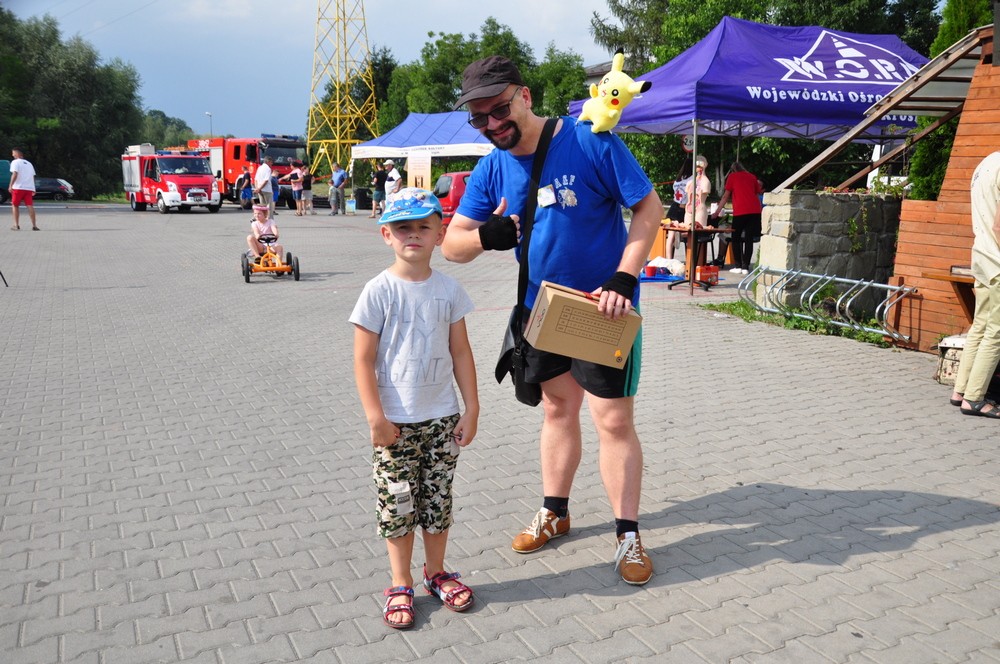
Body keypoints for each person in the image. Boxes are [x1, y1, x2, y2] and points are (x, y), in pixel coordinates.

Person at [441, 56, 662, 585]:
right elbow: (451, 246)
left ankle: (627, 535)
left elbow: (648, 209)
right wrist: (484, 237)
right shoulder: (491, 168)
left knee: (612, 422)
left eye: (499, 110)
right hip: (541, 310)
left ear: (525, 96)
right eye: (479, 117)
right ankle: (555, 512)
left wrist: (625, 278)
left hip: (603, 308)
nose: (491, 124)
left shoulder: (591, 141)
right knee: (559, 410)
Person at [350, 187, 479, 629]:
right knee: (399, 505)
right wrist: (375, 417)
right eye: (403, 227)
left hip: (442, 420)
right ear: (386, 234)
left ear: (440, 235)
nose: (414, 235)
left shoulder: (450, 290)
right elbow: (363, 359)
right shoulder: (378, 291)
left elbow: (461, 352)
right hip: (395, 426)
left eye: (424, 226)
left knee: (438, 501)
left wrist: (472, 408)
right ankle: (400, 581)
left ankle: (436, 573)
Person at [950, 151, 1000, 418]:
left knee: (980, 326)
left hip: (981, 257)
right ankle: (975, 399)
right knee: (996, 333)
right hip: (998, 261)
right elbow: (999, 226)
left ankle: (960, 392)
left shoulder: (987, 162)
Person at [712, 161, 763, 275]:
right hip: (755, 211)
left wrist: (717, 212)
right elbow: (756, 194)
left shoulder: (732, 177)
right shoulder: (752, 177)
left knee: (736, 237)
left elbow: (725, 196)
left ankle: (738, 265)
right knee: (748, 239)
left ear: (733, 170)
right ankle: (746, 266)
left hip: (740, 211)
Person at [664, 157, 693, 260]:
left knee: (670, 235)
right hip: (684, 208)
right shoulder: (692, 179)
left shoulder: (678, 179)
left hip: (674, 207)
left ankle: (668, 260)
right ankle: (689, 260)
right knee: (688, 233)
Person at [9, 148, 39, 231]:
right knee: (30, 205)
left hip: (18, 187)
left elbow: (15, 174)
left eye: (13, 153)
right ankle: (34, 225)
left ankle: (16, 225)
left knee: (15, 205)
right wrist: (33, 188)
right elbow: (32, 177)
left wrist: (10, 185)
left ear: (17, 154)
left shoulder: (15, 162)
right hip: (28, 188)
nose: (12, 155)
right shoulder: (29, 164)